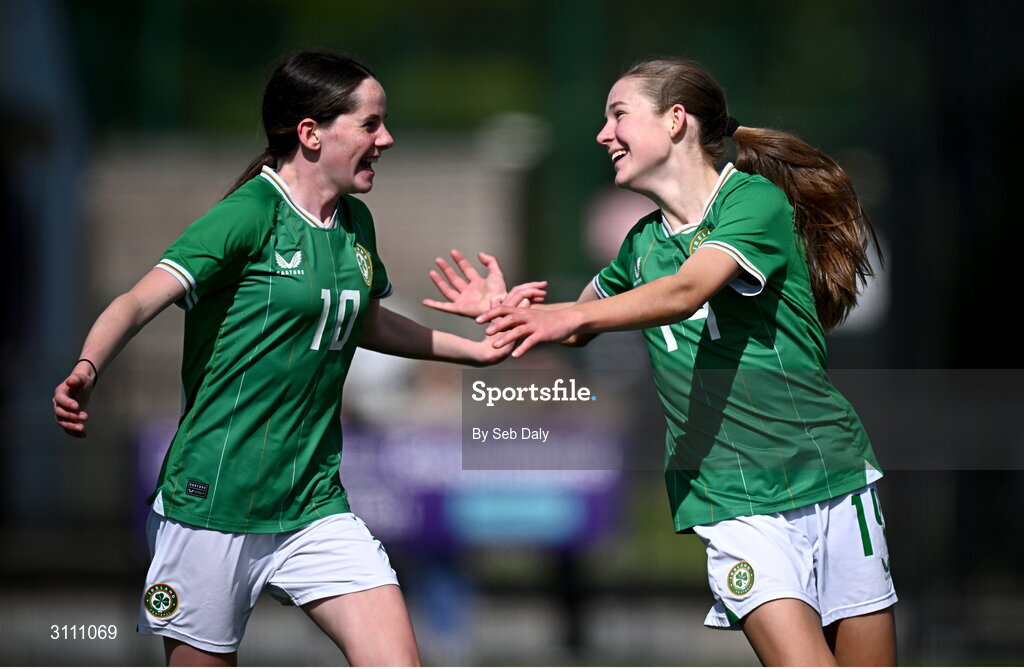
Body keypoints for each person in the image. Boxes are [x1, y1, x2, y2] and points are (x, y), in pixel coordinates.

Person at [51, 50, 542, 667]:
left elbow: (360, 320)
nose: (386, 138)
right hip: (213, 506)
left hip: (313, 505)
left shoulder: (354, 223)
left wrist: (477, 350)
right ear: (310, 133)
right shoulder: (250, 214)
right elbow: (135, 300)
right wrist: (88, 367)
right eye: (370, 123)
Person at [442, 59, 896, 666]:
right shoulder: (640, 244)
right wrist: (510, 311)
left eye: (618, 115)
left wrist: (568, 319)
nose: (603, 134)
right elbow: (578, 324)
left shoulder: (750, 201)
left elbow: (687, 290)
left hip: (832, 479)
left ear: (676, 121)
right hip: (731, 502)